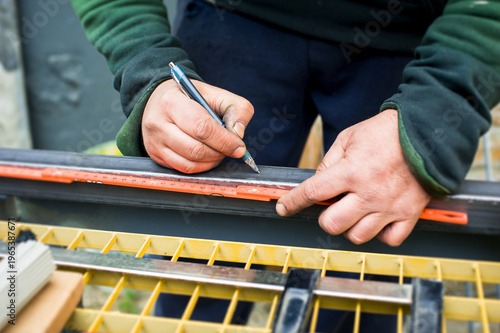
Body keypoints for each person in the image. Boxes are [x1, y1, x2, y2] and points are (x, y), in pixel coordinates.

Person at [70, 0, 499, 247]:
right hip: (230, 19)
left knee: (372, 258)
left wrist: (431, 116)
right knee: (202, 246)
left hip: (410, 39)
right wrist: (146, 66)